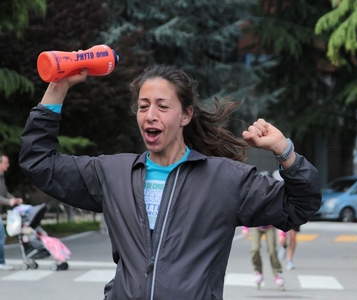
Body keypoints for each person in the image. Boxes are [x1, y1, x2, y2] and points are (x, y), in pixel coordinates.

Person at [19, 64, 321, 300]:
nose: (150, 115)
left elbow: (299, 206)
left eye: (163, 106)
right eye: (143, 106)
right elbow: (40, 163)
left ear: (186, 115)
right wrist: (57, 88)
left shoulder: (226, 180)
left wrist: (285, 150)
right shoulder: (112, 173)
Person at [242, 225, 284, 290]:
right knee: (255, 249)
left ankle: (277, 273)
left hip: (270, 226)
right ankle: (258, 271)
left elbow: (280, 216)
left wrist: (282, 234)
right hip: (257, 226)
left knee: (272, 251)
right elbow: (248, 214)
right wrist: (245, 227)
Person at [0, 154, 23, 270]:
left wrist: (14, 199)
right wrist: (9, 202)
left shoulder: (2, 176)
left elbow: (4, 193)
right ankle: (1, 262)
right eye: (5, 163)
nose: (8, 165)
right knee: (1, 235)